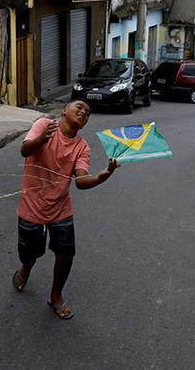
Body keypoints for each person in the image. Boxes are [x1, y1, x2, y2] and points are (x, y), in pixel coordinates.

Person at [12, 99, 120, 319]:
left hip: (60, 208)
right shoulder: (44, 124)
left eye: (87, 113)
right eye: (79, 107)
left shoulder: (82, 147)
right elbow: (25, 150)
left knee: (66, 254)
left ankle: (56, 296)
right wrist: (43, 138)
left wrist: (103, 176)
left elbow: (80, 181)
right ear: (64, 111)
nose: (83, 112)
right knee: (30, 253)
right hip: (31, 206)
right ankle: (26, 268)